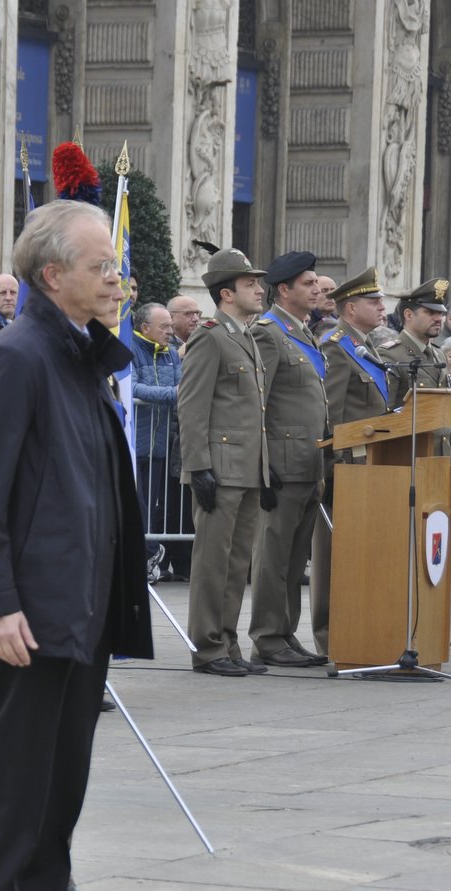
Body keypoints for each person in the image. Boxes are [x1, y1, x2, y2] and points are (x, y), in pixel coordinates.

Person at [0, 198, 151, 891]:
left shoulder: (79, 353)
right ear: (52, 275)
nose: (116, 278)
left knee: (63, 771)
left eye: (114, 266)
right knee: (15, 773)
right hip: (30, 608)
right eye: (101, 266)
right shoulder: (17, 355)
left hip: (83, 601)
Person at [178, 248, 271, 677]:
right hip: (220, 467)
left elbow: (254, 412)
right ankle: (207, 647)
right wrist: (198, 467)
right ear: (226, 293)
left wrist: (264, 469)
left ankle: (228, 641)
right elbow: (192, 407)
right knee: (213, 563)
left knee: (236, 565)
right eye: (250, 284)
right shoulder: (210, 336)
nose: (260, 289)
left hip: (247, 468)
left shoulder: (245, 334)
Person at [248, 250, 329, 668]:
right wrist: (264, 464)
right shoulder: (268, 333)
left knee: (296, 559)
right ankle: (266, 636)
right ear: (284, 290)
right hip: (282, 463)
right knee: (273, 556)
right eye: (309, 283)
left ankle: (285, 633)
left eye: (316, 283)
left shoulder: (304, 331)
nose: (317, 289)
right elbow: (257, 402)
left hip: (308, 462)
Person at [313, 266, 391, 656]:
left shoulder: (366, 345)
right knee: (333, 557)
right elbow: (331, 413)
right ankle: (330, 633)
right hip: (347, 469)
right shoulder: (336, 345)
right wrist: (334, 470)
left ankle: (360, 624)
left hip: (372, 467)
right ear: (349, 308)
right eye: (373, 301)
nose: (382, 307)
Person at [130, 302, 184, 582]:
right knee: (136, 505)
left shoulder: (172, 355)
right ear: (145, 328)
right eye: (164, 326)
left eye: (171, 326)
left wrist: (174, 393)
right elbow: (133, 387)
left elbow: (183, 386)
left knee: (151, 506)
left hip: (159, 446)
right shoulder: (130, 349)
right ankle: (145, 553)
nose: (170, 331)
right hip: (135, 444)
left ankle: (148, 555)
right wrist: (170, 394)